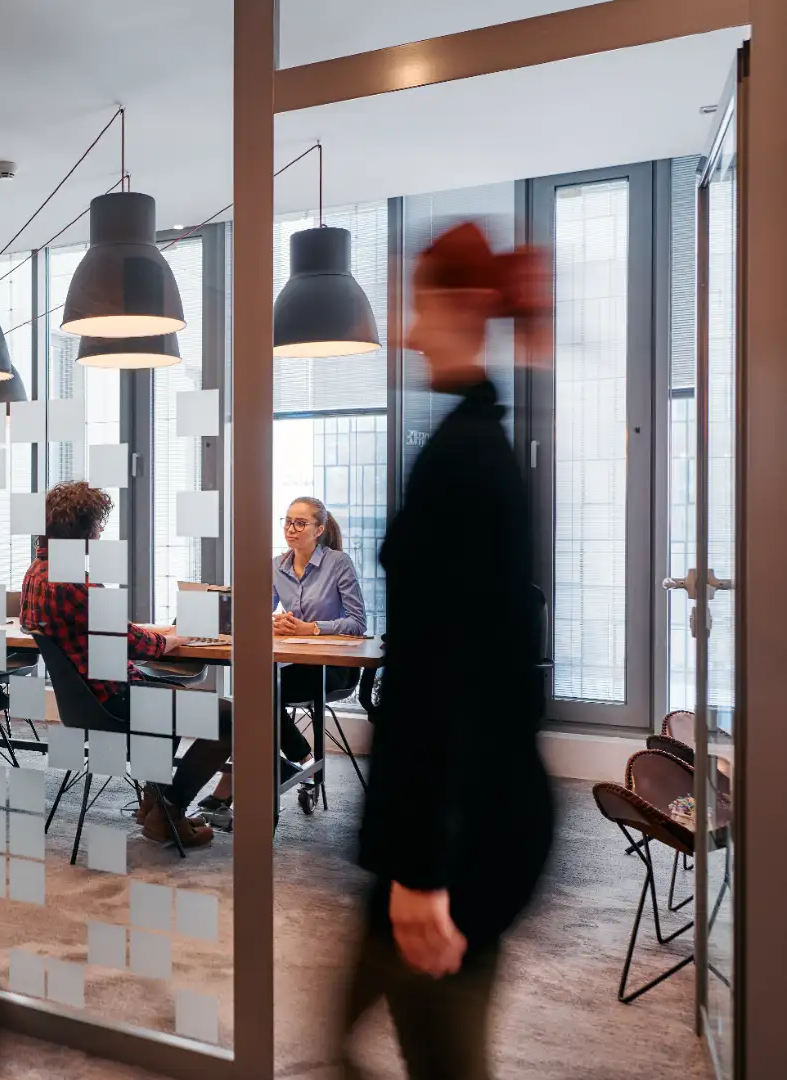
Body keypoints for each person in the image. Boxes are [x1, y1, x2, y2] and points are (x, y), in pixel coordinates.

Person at [340, 221, 553, 1080]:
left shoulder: (467, 460)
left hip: (460, 833)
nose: (406, 331)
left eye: (417, 306)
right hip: (453, 820)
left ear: (461, 307)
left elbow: (450, 681)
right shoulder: (475, 438)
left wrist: (424, 870)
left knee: (438, 1054)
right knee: (352, 1033)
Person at [20, 480, 230, 847]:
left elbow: (99, 627)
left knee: (168, 697)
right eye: (97, 526)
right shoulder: (73, 582)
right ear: (82, 531)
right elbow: (133, 643)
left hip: (84, 702)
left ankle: (154, 806)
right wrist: (170, 639)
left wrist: (142, 631)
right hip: (111, 700)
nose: (100, 533)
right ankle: (170, 811)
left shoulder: (35, 573)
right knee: (229, 717)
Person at [200, 495, 367, 810]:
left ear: (319, 530)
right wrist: (273, 623)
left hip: (331, 669)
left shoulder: (338, 563)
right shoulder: (276, 566)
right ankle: (298, 762)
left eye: (300, 523)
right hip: (289, 665)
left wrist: (311, 628)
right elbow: (258, 614)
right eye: (288, 522)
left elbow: (358, 623)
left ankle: (268, 771)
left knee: (256, 693)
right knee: (256, 690)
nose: (291, 529)